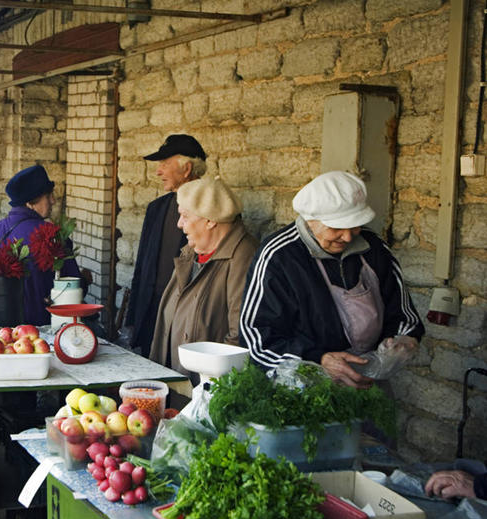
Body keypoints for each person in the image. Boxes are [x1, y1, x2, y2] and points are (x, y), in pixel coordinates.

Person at [240, 171, 425, 388]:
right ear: (311, 221)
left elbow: (404, 315)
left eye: (354, 226)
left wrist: (403, 340)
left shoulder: (374, 248)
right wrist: (317, 360)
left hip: (369, 383)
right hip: (305, 388)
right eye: (336, 228)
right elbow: (256, 340)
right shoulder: (279, 256)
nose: (347, 237)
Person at [150, 177, 258, 382]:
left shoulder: (242, 257)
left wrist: (212, 388)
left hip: (205, 386)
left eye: (184, 216)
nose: (179, 224)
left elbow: (239, 336)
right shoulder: (191, 251)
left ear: (210, 221)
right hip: (175, 380)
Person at [126, 134, 207, 354]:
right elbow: (142, 266)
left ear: (187, 169)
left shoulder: (210, 214)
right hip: (151, 317)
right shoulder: (156, 208)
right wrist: (133, 318)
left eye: (164, 164)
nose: (158, 171)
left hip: (186, 323)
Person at [0, 164, 80, 325]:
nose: (53, 201)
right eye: (48, 196)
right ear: (30, 202)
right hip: (33, 328)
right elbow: (72, 287)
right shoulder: (50, 234)